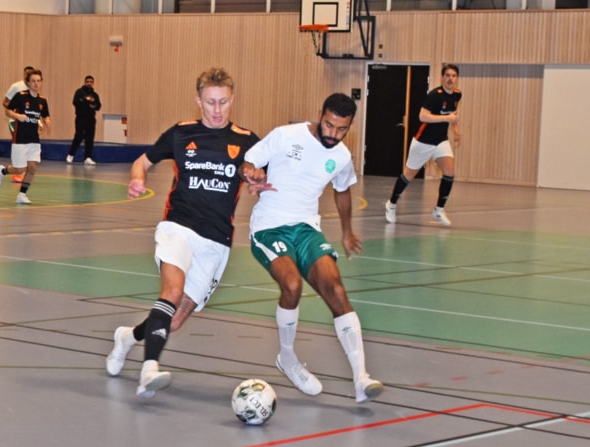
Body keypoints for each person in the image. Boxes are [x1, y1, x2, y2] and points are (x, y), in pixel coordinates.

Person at [105, 68, 261, 398]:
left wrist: (258, 180)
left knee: (172, 321)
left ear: (232, 100)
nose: (217, 110)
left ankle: (127, 338)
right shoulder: (181, 133)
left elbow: (263, 174)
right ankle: (149, 370)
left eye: (223, 102)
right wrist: (137, 179)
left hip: (216, 241)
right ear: (198, 101)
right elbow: (142, 161)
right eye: (210, 102)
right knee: (172, 292)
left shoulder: (247, 141)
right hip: (178, 227)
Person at [242, 93, 384, 404]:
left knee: (335, 289)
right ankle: (287, 358)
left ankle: (361, 379)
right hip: (269, 226)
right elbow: (249, 161)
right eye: (329, 125)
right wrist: (252, 173)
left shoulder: (342, 156)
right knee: (292, 285)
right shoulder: (286, 135)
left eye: (342, 129)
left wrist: (347, 231)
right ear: (320, 114)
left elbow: (343, 190)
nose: (333, 134)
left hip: (306, 228)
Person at [384, 64, 462, 227]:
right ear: (442, 77)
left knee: (449, 172)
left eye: (453, 75)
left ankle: (438, 210)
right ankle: (391, 204)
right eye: (447, 75)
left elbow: (452, 114)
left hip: (441, 141)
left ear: (457, 78)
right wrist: (446, 119)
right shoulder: (434, 95)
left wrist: (456, 128)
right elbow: (423, 116)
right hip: (423, 142)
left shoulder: (457, 94)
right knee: (408, 175)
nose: (450, 79)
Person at [0, 69, 50, 205]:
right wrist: (18, 116)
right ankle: (3, 171)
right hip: (20, 138)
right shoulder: (20, 96)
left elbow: (45, 115)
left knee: (32, 168)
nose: (36, 84)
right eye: (33, 81)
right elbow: (7, 111)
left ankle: (22, 194)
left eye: (38, 81)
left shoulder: (42, 101)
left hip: (34, 140)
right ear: (28, 83)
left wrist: (47, 122)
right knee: (20, 169)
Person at [2, 66, 35, 184]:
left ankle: (23, 173)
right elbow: (5, 102)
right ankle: (17, 173)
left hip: (29, 122)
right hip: (15, 121)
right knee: (20, 146)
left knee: (29, 147)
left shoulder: (33, 89)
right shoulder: (16, 87)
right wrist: (16, 111)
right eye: (27, 74)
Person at [66, 75, 101, 165]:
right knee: (79, 136)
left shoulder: (95, 95)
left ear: (93, 83)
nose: (89, 83)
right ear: (85, 82)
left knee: (90, 138)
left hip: (91, 118)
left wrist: (93, 105)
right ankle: (71, 154)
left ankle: (88, 157)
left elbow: (98, 106)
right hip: (81, 118)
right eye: (87, 82)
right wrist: (85, 100)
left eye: (91, 82)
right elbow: (75, 102)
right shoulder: (79, 92)